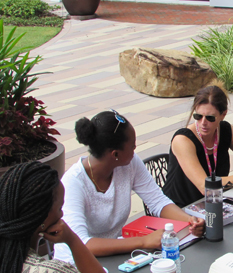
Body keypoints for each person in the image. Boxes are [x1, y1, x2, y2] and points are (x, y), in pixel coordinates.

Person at [55, 109, 204, 262]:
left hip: (114, 256)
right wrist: (143, 241)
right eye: (132, 147)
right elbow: (82, 244)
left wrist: (189, 220)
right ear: (115, 154)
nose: (135, 150)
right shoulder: (73, 183)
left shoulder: (130, 163)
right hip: (76, 264)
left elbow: (157, 201)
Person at [163, 85, 233, 207]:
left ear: (223, 115)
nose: (203, 123)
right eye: (198, 116)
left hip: (215, 203)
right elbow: (205, 187)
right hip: (181, 209)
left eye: (210, 118)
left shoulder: (226, 130)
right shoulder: (183, 140)